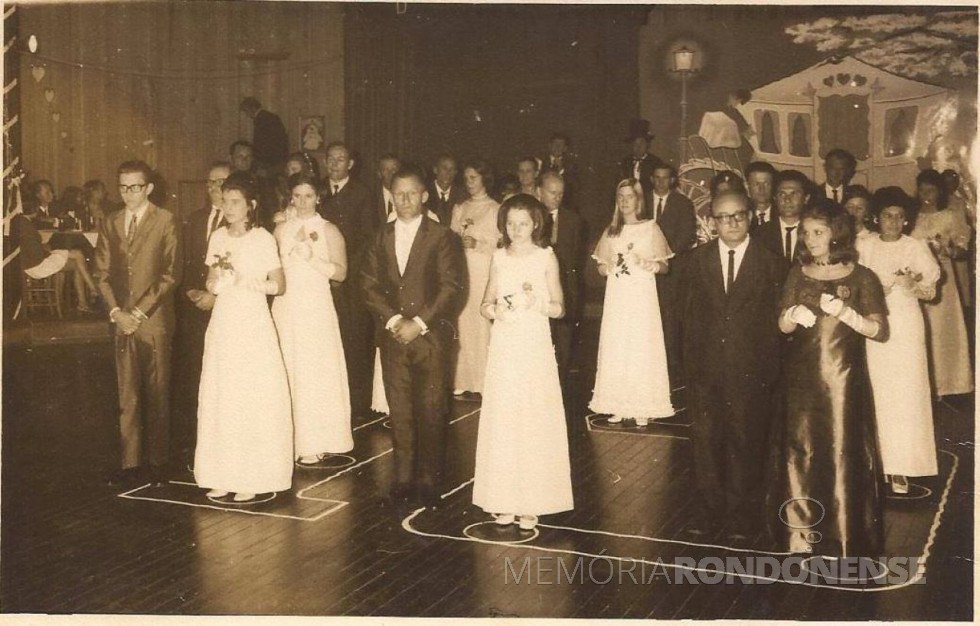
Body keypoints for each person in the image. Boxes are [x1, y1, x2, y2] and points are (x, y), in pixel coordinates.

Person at [768, 202, 888, 557]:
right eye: (806, 233)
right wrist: (791, 314)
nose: (810, 238)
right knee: (799, 448)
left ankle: (846, 534)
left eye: (817, 232)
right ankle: (799, 533)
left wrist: (848, 314)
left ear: (837, 233)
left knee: (841, 449)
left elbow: (879, 331)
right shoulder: (798, 273)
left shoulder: (862, 277)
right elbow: (780, 325)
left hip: (842, 379)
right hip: (800, 377)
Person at [679, 191, 784, 538]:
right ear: (712, 222)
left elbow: (777, 325)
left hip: (751, 371)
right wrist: (688, 365)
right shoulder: (695, 261)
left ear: (751, 216)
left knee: (746, 441)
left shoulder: (772, 263)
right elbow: (685, 316)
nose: (732, 223)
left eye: (739, 215)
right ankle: (708, 512)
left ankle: (742, 515)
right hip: (705, 370)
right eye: (724, 217)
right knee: (706, 441)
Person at [360, 165, 464, 510]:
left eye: (411, 193)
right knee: (400, 409)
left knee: (432, 409)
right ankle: (403, 477)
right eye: (397, 194)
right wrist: (392, 320)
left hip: (431, 338)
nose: (404, 200)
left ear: (424, 196)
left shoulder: (442, 236)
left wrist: (418, 322)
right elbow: (369, 284)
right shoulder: (380, 235)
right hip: (392, 338)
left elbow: (451, 288)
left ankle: (430, 479)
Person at [473, 193, 573, 531]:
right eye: (511, 223)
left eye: (523, 223)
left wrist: (539, 303)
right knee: (505, 419)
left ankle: (533, 500)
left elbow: (561, 307)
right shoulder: (499, 257)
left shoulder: (546, 256)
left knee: (532, 418)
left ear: (536, 225)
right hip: (505, 347)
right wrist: (495, 310)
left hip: (534, 348)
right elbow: (484, 304)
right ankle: (502, 498)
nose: (516, 229)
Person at [195, 172, 293, 502]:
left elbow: (279, 285)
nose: (228, 207)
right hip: (224, 323)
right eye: (225, 201)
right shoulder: (218, 237)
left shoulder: (263, 238)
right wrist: (216, 284)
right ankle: (223, 473)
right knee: (224, 395)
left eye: (235, 202)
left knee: (250, 395)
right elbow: (211, 278)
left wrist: (249, 282)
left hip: (252, 322)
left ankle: (252, 475)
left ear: (250, 205)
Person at [96, 160, 181, 487]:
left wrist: (139, 313)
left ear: (149, 188)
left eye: (135, 187)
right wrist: (117, 313)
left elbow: (171, 274)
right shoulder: (111, 221)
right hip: (121, 321)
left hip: (154, 322)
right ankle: (130, 462)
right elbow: (101, 274)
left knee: (158, 392)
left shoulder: (166, 220)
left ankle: (158, 462)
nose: (128, 193)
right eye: (122, 187)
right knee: (126, 394)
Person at [858, 187, 940, 495]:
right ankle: (876, 463)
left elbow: (930, 289)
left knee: (906, 394)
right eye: (887, 216)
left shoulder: (916, 246)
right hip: (874, 326)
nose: (893, 222)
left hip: (905, 326)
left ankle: (903, 467)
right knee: (877, 391)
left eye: (899, 217)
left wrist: (913, 284)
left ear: (906, 220)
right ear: (876, 218)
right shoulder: (864, 245)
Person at [272, 173, 353, 465]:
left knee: (314, 373)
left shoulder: (329, 230)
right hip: (285, 307)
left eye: (308, 196)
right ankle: (288, 438)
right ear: (290, 197)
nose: (302, 202)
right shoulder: (280, 229)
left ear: (318, 197)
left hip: (315, 308)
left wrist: (312, 259)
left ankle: (315, 439)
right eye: (297, 196)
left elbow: (342, 273)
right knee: (286, 367)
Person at [589, 179, 674, 426]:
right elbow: (600, 265)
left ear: (638, 200)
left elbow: (665, 266)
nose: (625, 201)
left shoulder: (650, 228)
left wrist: (650, 264)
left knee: (640, 348)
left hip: (641, 299)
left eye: (630, 196)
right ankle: (617, 403)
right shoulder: (611, 231)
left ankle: (642, 406)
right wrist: (607, 268)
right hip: (618, 299)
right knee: (618, 347)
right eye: (621, 197)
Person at [171, 161, 229, 465]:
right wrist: (191, 292)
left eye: (220, 182)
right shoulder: (195, 220)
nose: (213, 188)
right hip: (196, 308)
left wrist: (216, 298)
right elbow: (188, 264)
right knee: (195, 374)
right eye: (209, 183)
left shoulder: (241, 223)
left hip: (226, 308)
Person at [319, 141, 378, 418]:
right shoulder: (316, 190)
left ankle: (356, 405)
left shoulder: (363, 193)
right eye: (330, 159)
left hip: (351, 279)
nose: (334, 164)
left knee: (353, 339)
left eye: (340, 159)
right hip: (320, 277)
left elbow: (367, 239)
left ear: (350, 164)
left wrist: (342, 271)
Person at [910, 169, 973, 398]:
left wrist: (945, 249)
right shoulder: (911, 216)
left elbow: (961, 249)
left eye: (931, 190)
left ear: (939, 192)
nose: (926, 194)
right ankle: (923, 384)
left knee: (942, 331)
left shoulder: (949, 215)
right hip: (915, 280)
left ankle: (948, 384)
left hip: (943, 281)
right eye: (922, 189)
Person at [450, 158, 501, 396]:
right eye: (466, 178)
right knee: (462, 322)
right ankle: (462, 378)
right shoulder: (459, 208)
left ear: (484, 178)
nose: (469, 182)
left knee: (481, 324)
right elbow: (449, 241)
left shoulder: (495, 209)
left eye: (474, 177)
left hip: (482, 271)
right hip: (463, 270)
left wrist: (478, 243)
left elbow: (500, 246)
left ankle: (483, 380)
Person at [538, 171, 585, 398]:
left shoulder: (574, 220)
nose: (556, 197)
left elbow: (576, 258)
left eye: (561, 194)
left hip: (566, 288)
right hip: (538, 289)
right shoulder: (532, 218)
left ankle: (560, 387)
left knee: (564, 340)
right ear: (540, 191)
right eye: (552, 192)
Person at [649, 164, 696, 388]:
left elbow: (686, 235)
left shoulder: (683, 203)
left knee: (669, 319)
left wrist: (664, 257)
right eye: (657, 178)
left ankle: (671, 369)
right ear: (652, 179)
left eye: (665, 178)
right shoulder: (641, 203)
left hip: (672, 270)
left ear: (672, 180)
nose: (660, 182)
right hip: (644, 270)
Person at [11, 205, 98, 313]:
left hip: (34, 261)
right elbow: (35, 249)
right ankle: (92, 291)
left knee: (77, 258)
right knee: (78, 256)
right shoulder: (25, 225)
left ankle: (86, 299)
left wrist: (47, 248)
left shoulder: (21, 222)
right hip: (37, 264)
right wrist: (48, 250)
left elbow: (33, 246)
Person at [757, 169, 808, 269]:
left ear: (806, 198)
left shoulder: (813, 233)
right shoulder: (760, 234)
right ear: (775, 199)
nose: (787, 200)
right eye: (782, 194)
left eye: (794, 194)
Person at [239, 97, 289, 175]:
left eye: (246, 111)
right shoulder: (269, 117)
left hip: (269, 161)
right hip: (276, 160)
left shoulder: (262, 119)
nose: (247, 115)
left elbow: (262, 143)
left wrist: (259, 161)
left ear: (252, 108)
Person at [619, 119, 664, 195]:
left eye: (641, 143)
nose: (638, 147)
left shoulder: (656, 163)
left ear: (648, 145)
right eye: (635, 144)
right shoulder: (625, 163)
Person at [539, 132, 579, 205]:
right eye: (555, 144)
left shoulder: (572, 165)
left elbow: (574, 187)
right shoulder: (541, 162)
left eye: (560, 145)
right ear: (549, 146)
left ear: (565, 148)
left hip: (565, 204)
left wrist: (561, 170)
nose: (557, 147)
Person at [426, 153, 466, 226]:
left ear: (456, 172)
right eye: (444, 168)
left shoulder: (462, 196)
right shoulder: (424, 193)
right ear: (435, 170)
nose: (448, 173)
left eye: (452, 169)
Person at [745, 161, 776, 228]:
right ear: (747, 186)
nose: (761, 189)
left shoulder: (782, 215)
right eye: (756, 184)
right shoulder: (742, 213)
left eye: (766, 184)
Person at [375, 153, 401, 228]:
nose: (391, 174)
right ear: (379, 173)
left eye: (394, 169)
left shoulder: (408, 196)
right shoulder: (371, 198)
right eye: (386, 170)